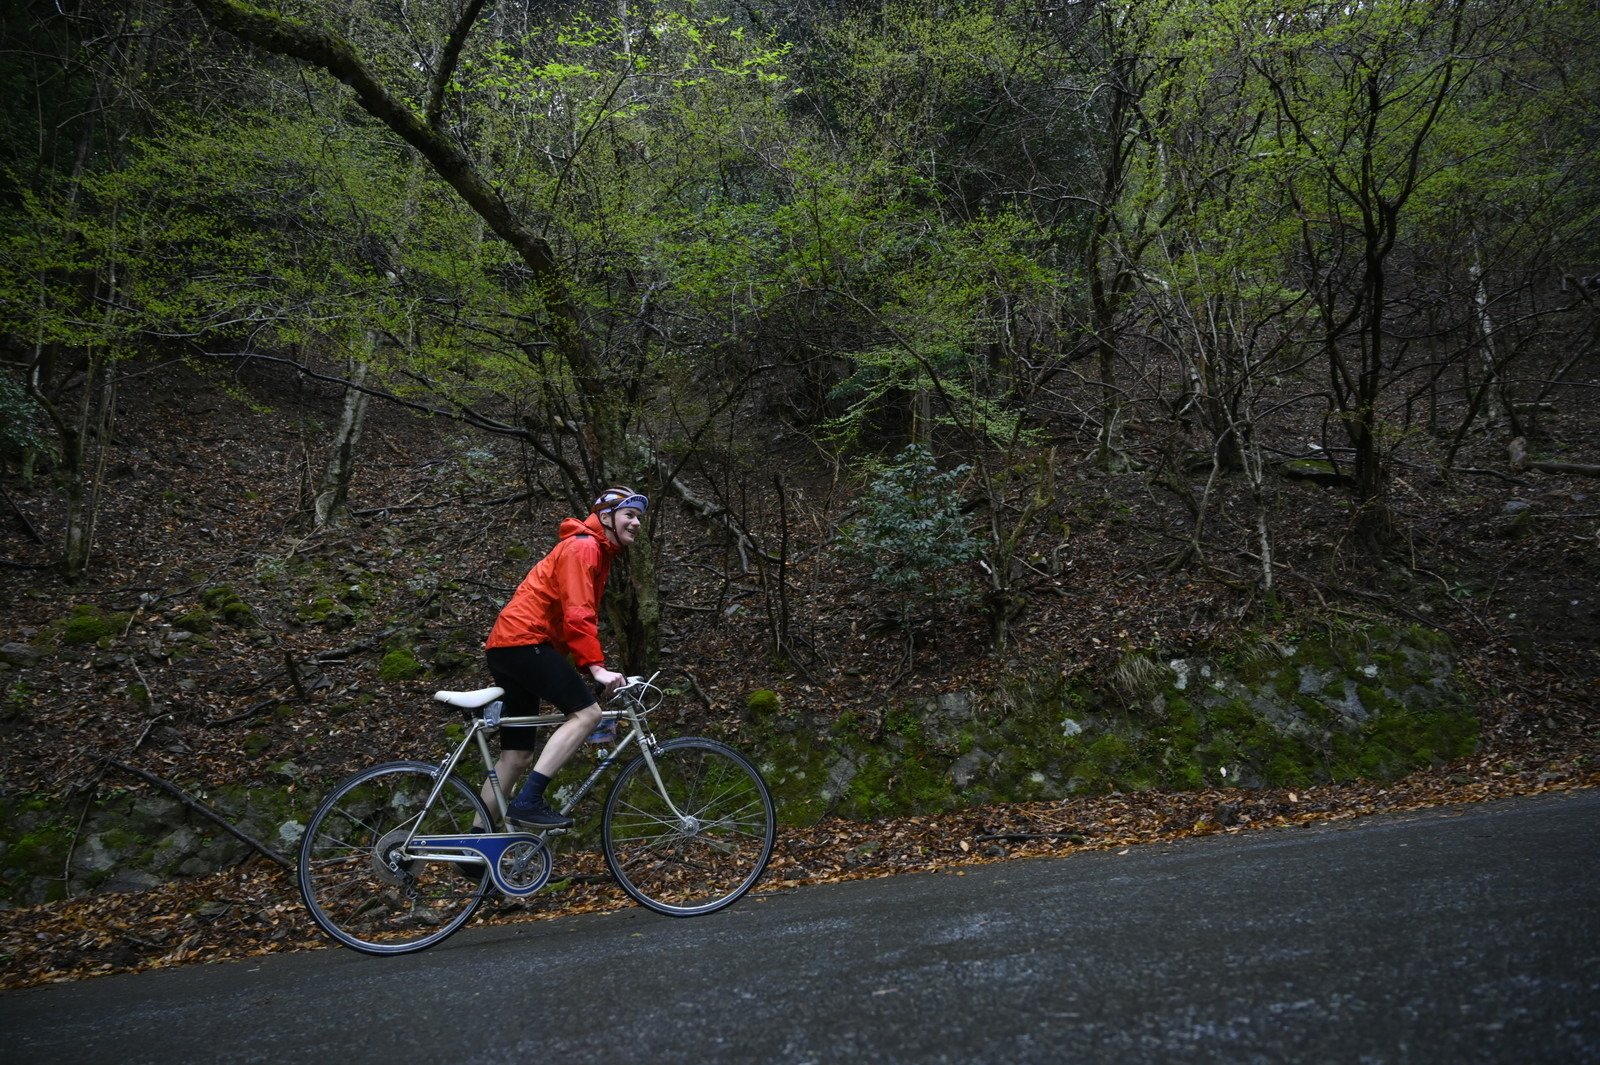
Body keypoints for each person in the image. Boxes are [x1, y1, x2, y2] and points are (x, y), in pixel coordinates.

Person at [479, 486, 646, 829]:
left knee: (516, 755)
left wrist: (590, 667)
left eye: (639, 517)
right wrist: (596, 668)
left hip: (510, 646)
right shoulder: (584, 547)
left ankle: (475, 844)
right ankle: (529, 801)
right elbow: (578, 614)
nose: (636, 523)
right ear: (606, 518)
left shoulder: (593, 549)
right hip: (525, 641)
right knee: (587, 714)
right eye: (629, 514)